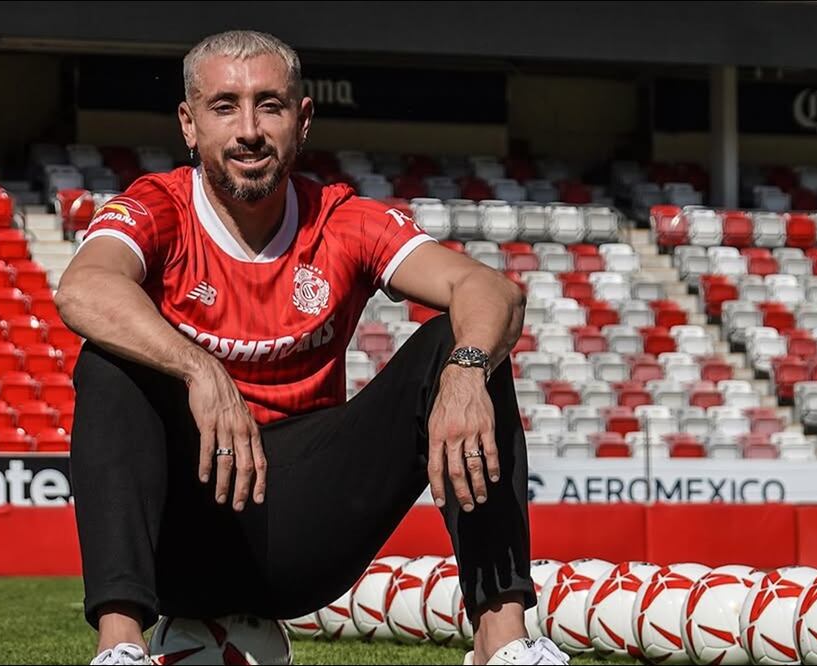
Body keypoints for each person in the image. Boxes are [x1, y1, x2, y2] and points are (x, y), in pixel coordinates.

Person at [56, 29, 567, 666]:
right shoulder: (156, 206)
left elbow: (490, 289)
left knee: (462, 342)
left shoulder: (341, 219)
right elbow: (82, 288)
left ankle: (504, 644)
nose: (248, 129)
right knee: (108, 362)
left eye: (269, 105)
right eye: (224, 107)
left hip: (299, 530)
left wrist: (465, 375)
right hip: (179, 535)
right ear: (189, 125)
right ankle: (120, 649)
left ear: (302, 121)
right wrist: (199, 369)